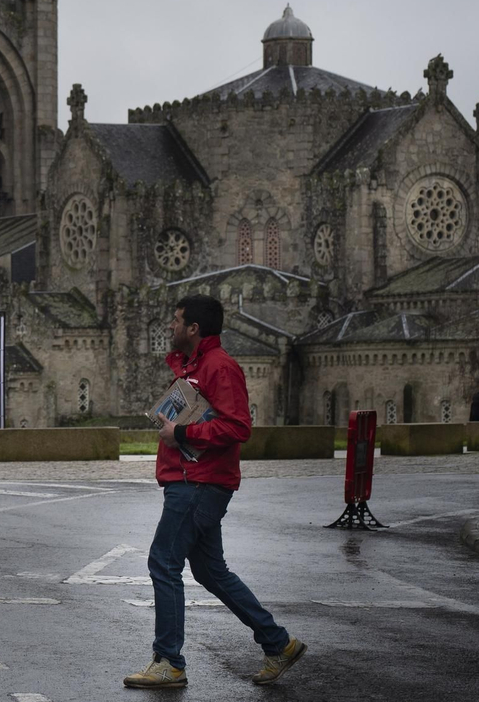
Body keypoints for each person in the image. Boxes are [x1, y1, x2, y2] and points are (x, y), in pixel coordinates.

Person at [125, 294, 306, 689]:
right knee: (210, 571)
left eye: (176, 320)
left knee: (163, 562)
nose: (170, 326)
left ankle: (169, 662)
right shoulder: (194, 365)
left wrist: (182, 432)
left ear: (194, 328)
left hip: (199, 483)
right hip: (190, 479)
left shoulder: (219, 367)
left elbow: (238, 427)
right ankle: (279, 644)